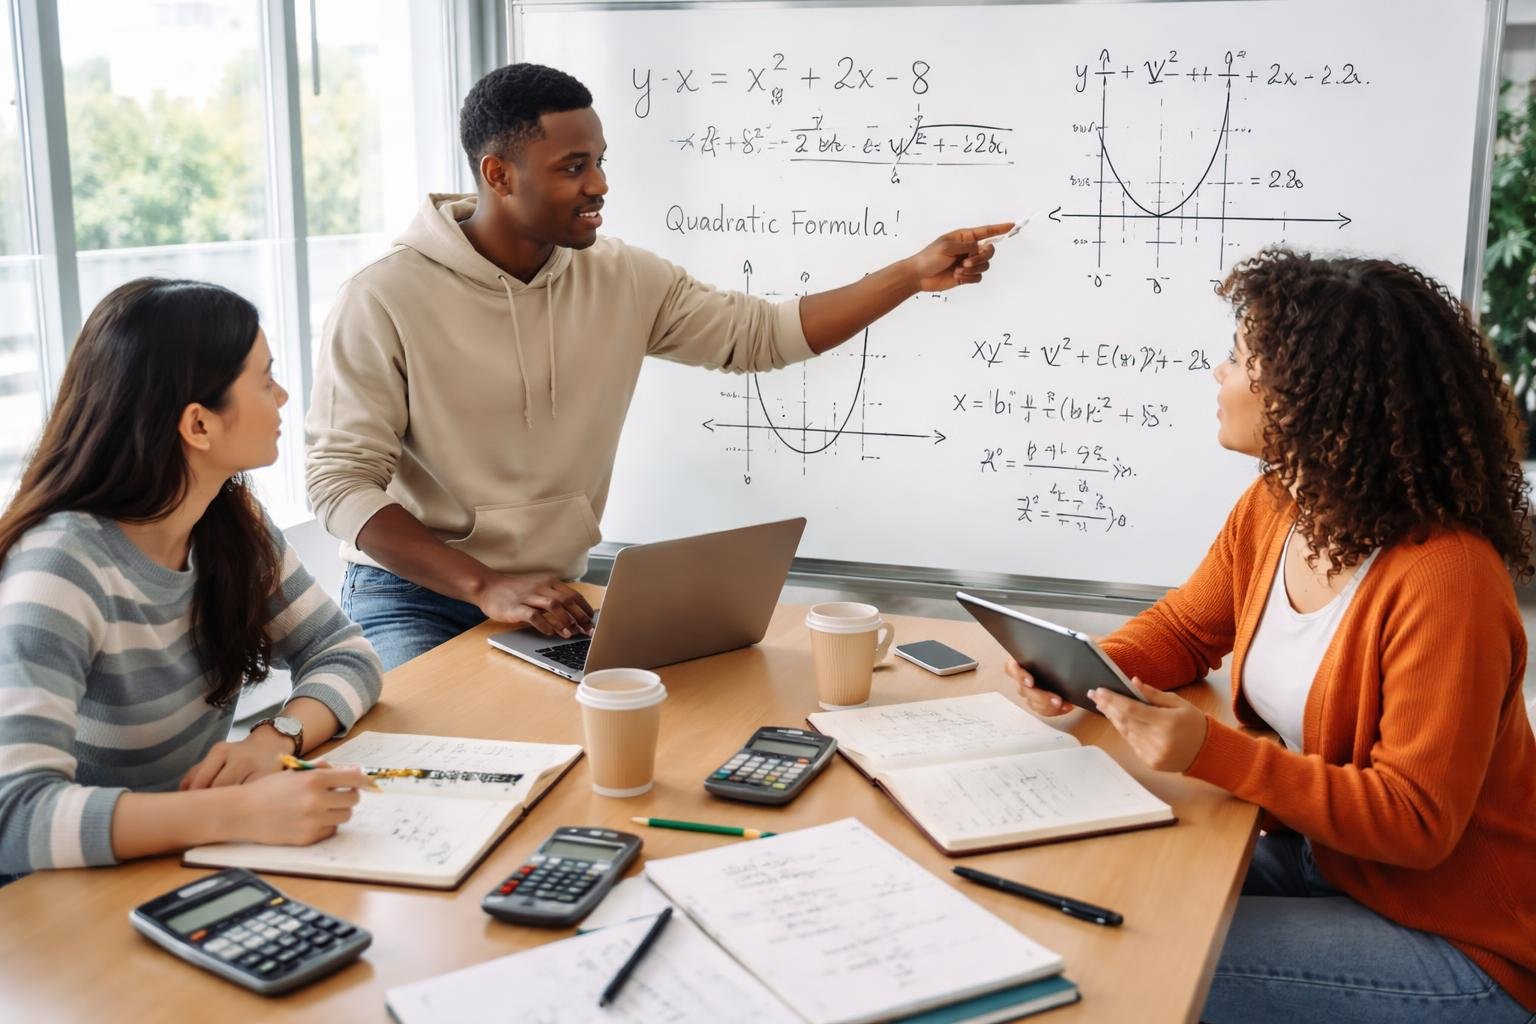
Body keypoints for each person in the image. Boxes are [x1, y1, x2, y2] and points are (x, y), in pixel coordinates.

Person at [305, 62, 1012, 669]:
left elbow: (760, 335)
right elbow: (340, 485)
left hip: (553, 597)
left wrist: (912, 275)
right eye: (573, 168)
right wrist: (483, 584)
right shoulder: (383, 296)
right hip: (416, 599)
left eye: (600, 161)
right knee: (432, 760)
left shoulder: (623, 277)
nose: (599, 185)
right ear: (498, 174)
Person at [1009, 248, 1536, 1022]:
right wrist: (1088, 668)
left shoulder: (1447, 578)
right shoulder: (1279, 506)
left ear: (1310, 397)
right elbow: (1190, 628)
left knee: (1136, 959)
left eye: (1236, 358)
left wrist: (1208, 752)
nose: (1217, 374)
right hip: (1330, 863)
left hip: (1462, 941)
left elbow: (1417, 821)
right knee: (1095, 889)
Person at [0, 279, 383, 880]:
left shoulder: (231, 522)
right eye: (265, 379)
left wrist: (274, 740)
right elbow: (16, 819)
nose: (283, 396)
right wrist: (233, 812)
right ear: (199, 425)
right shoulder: (58, 567)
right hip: (57, 894)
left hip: (176, 859)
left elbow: (345, 654)